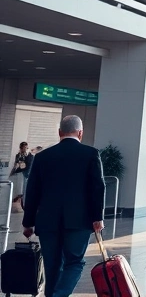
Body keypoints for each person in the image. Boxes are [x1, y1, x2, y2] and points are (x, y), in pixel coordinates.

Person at [21, 116, 105, 297]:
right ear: (81, 133)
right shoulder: (90, 153)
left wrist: (28, 223)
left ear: (60, 133)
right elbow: (97, 187)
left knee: (52, 266)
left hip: (47, 221)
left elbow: (33, 191)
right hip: (79, 221)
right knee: (74, 262)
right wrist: (98, 218)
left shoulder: (42, 157)